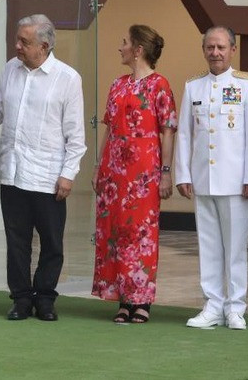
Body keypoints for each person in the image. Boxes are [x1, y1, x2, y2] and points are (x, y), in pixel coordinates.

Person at [0, 14, 86, 321]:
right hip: (12, 172)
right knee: (17, 241)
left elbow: (75, 135)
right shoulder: (11, 69)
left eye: (24, 41)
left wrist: (68, 174)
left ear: (45, 45)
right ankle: (21, 299)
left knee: (51, 242)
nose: (17, 46)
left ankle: (46, 298)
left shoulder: (67, 78)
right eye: (17, 39)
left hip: (49, 176)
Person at [174, 26, 248, 330]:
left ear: (232, 50)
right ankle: (212, 305)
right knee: (209, 246)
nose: (215, 53)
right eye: (210, 47)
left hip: (237, 182)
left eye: (221, 47)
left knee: (236, 248)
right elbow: (185, 135)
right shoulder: (193, 87)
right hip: (204, 179)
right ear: (204, 50)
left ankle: (235, 307)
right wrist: (183, 174)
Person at [91, 25, 177, 324]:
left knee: (140, 234)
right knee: (115, 232)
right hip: (115, 171)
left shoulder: (159, 85)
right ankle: (122, 298)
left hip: (143, 172)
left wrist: (165, 171)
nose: (120, 47)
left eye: (125, 42)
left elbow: (167, 130)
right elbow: (109, 128)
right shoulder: (117, 84)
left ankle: (141, 300)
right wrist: (99, 165)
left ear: (138, 49)